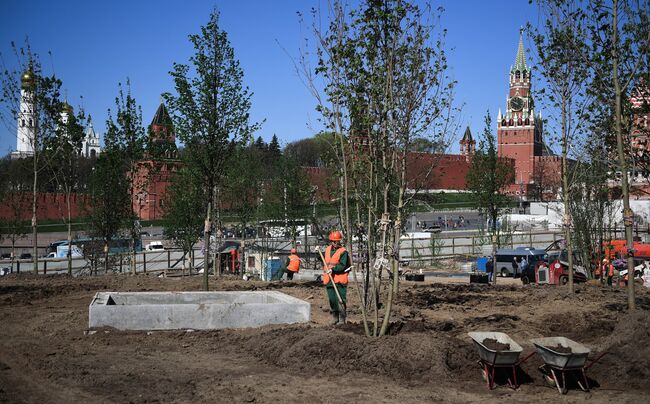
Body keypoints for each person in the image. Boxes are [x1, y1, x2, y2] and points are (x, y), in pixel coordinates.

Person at [323, 230, 350, 325]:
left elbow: (343, 266)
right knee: (332, 299)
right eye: (333, 241)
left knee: (341, 299)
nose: (335, 243)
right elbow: (326, 260)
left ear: (339, 241)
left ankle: (342, 319)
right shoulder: (327, 250)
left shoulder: (343, 252)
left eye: (337, 241)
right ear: (330, 241)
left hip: (339, 279)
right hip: (329, 279)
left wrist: (333, 269)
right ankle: (335, 318)